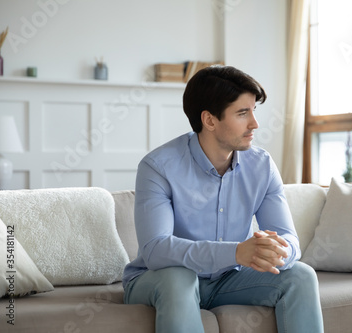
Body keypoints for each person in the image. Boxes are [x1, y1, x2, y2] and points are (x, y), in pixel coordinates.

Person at [122, 65, 323, 333]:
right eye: (242, 113)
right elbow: (157, 251)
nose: (255, 123)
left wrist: (276, 252)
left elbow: (290, 240)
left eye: (253, 110)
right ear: (209, 120)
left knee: (301, 276)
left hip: (229, 279)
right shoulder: (158, 167)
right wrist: (237, 252)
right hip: (159, 280)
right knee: (179, 278)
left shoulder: (261, 166)